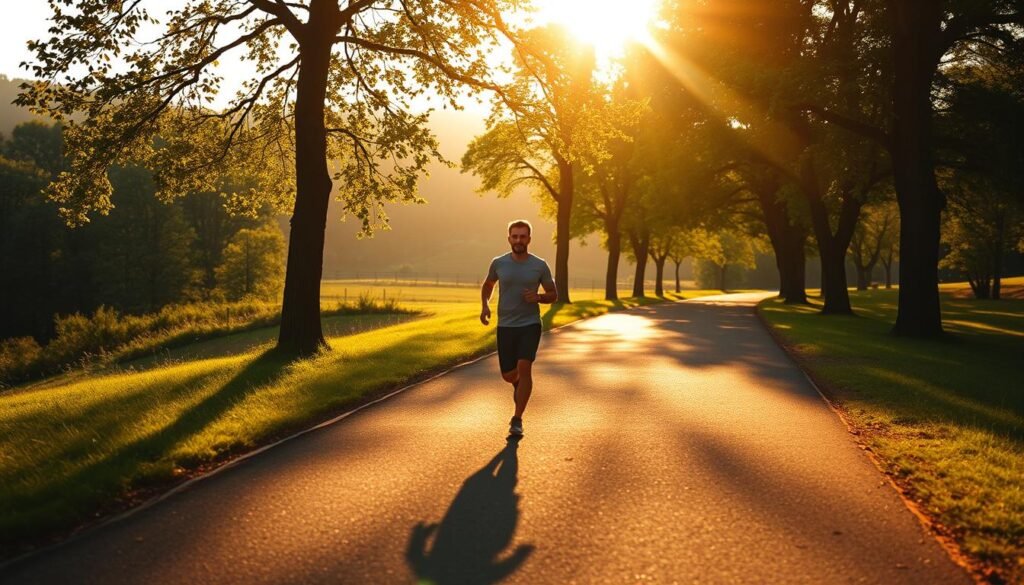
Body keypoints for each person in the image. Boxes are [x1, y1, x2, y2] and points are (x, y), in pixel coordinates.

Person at [480, 219, 558, 437]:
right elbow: (488, 286)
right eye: (515, 236)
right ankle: (518, 384)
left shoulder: (539, 265)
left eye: (523, 236)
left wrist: (539, 297)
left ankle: (517, 419)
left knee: (525, 368)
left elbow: (554, 294)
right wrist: (485, 306)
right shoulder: (499, 263)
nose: (518, 240)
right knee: (508, 375)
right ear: (509, 239)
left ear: (529, 239)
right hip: (505, 325)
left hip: (529, 325)